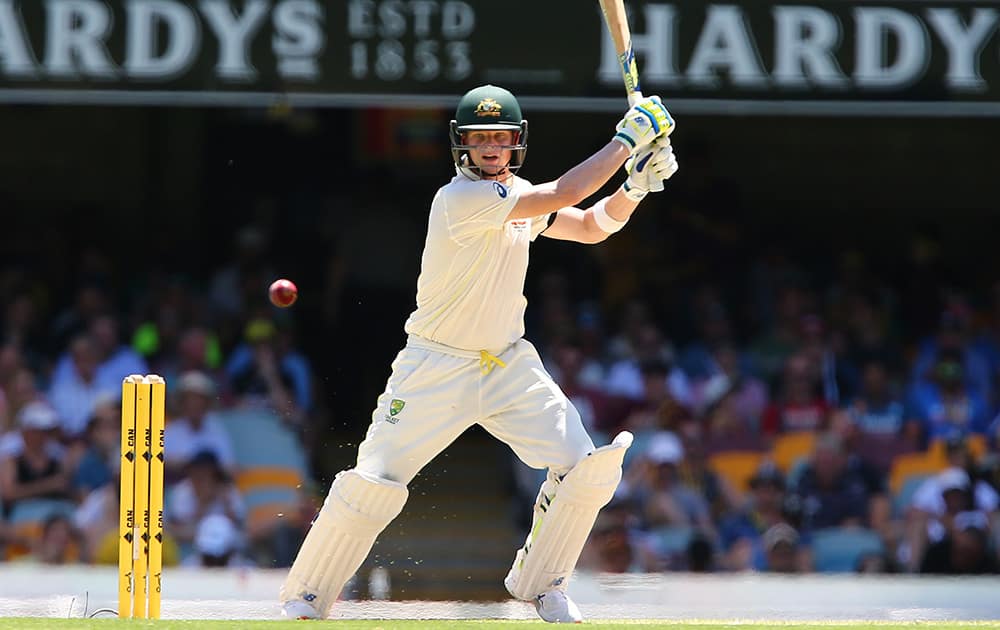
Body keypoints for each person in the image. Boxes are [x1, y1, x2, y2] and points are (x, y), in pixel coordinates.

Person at [279, 85, 677, 623]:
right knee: (371, 482)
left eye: (501, 137)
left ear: (517, 143)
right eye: (479, 137)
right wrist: (626, 141)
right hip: (435, 365)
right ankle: (306, 596)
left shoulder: (516, 196)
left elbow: (589, 226)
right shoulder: (459, 200)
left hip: (507, 363)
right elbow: (564, 194)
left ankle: (545, 586)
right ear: (460, 144)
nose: (491, 147)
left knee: (585, 467)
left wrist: (635, 187)